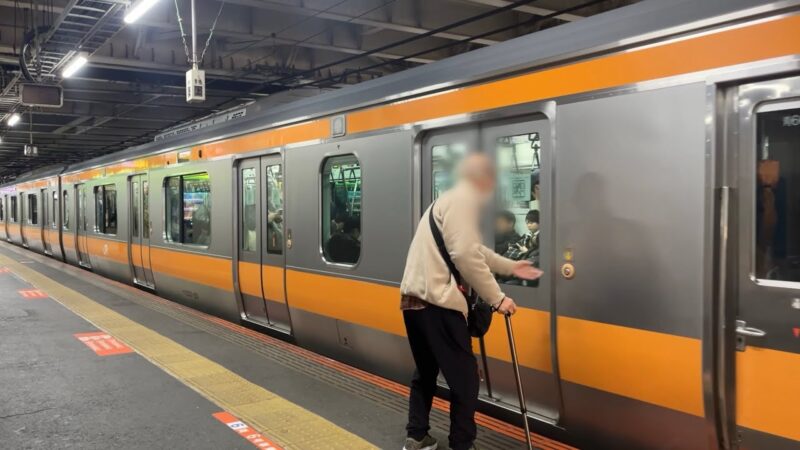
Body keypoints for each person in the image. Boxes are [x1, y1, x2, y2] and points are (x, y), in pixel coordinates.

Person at [399, 153, 543, 450]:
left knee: (425, 371)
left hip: (414, 302)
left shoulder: (445, 202)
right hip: (438, 304)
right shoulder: (463, 201)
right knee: (465, 380)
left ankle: (417, 436)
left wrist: (511, 266)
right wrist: (498, 298)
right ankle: (461, 444)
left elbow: (473, 250)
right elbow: (465, 255)